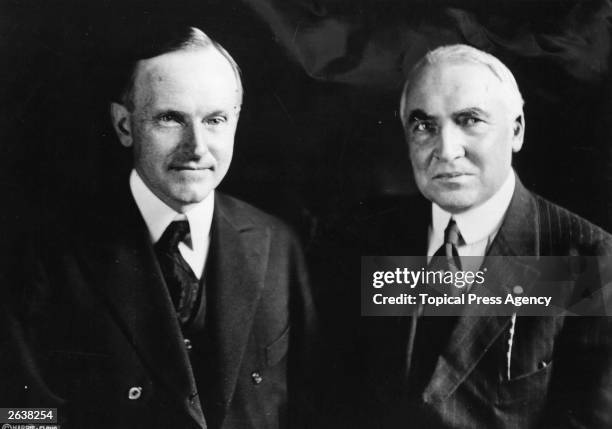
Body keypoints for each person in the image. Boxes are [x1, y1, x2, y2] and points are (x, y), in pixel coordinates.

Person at [0, 26, 316, 429]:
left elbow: (313, 403)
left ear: (236, 121)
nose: (197, 146)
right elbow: (16, 417)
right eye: (170, 119)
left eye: (215, 120)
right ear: (124, 125)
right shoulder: (45, 254)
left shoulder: (279, 242)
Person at [340, 44, 612, 428]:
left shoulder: (589, 258)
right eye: (424, 126)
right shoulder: (363, 234)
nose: (447, 151)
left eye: (469, 120)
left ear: (516, 130)